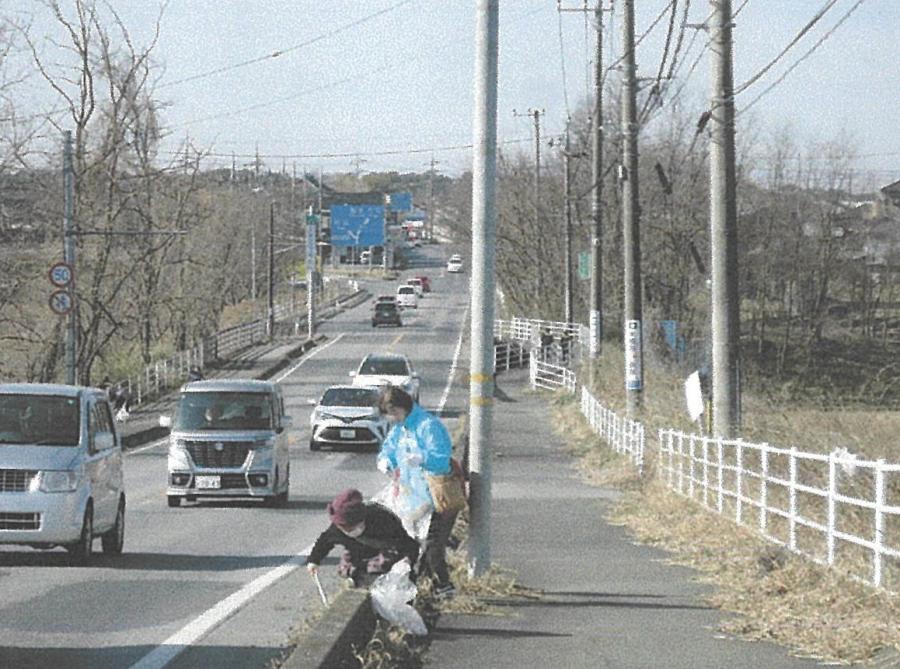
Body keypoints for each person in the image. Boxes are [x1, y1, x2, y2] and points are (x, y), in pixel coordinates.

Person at [377, 386, 458, 599]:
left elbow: (442, 458)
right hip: (412, 498)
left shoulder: (427, 426)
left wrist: (423, 458)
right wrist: (385, 461)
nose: (393, 418)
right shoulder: (400, 428)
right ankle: (424, 588)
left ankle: (444, 587)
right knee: (413, 545)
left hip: (435, 496)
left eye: (394, 413)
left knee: (432, 547)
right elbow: (389, 449)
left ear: (402, 407)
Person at [306, 488, 420, 587]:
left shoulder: (382, 519)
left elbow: (406, 543)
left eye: (352, 527)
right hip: (358, 551)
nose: (349, 531)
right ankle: (357, 578)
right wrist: (313, 561)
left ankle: (369, 578)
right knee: (347, 568)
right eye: (345, 529)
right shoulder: (338, 530)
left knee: (382, 564)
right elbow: (324, 541)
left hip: (386, 549)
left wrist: (409, 563)